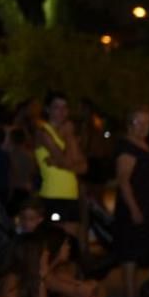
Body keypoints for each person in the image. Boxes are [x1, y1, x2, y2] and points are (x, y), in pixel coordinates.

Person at [113, 105, 149, 297]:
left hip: (148, 203)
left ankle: (138, 294)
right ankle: (130, 296)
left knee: (141, 249)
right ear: (129, 124)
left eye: (147, 122)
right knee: (130, 252)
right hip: (133, 205)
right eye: (138, 122)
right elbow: (123, 181)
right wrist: (134, 208)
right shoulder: (127, 147)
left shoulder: (144, 145)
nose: (143, 127)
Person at [35, 91, 87, 239]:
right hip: (53, 195)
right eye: (57, 107)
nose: (62, 112)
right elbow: (66, 160)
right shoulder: (44, 132)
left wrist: (61, 163)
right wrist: (70, 137)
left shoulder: (67, 133)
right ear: (48, 109)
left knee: (70, 245)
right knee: (55, 245)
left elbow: (83, 167)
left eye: (65, 107)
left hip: (71, 194)